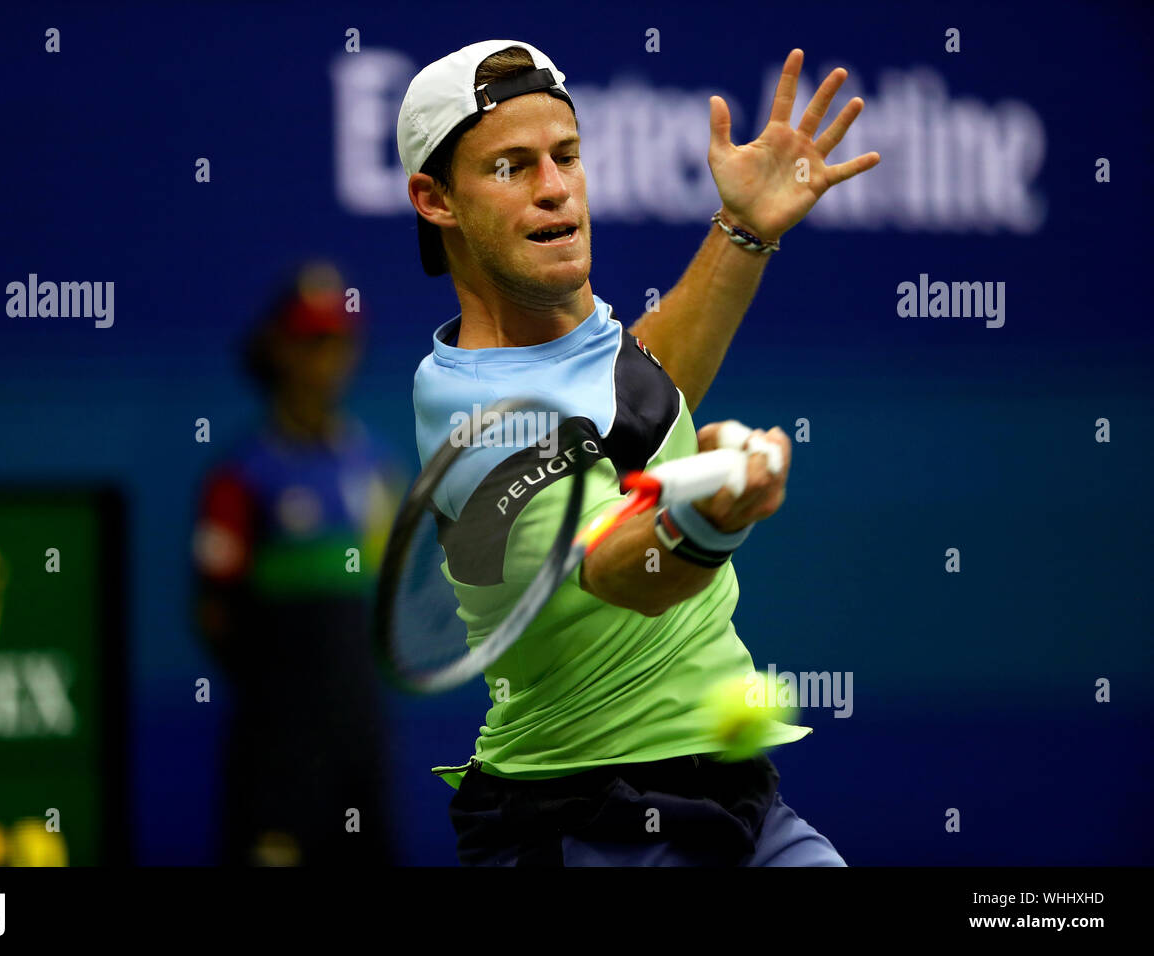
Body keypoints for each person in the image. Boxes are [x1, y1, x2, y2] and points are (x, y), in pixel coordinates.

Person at [396, 40, 879, 865]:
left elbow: (640, 398)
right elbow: (622, 571)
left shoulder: (585, 354)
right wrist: (712, 513)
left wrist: (743, 230)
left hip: (741, 800)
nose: (554, 187)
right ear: (434, 200)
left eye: (566, 156)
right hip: (579, 825)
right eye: (511, 166)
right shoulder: (472, 414)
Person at [193, 261, 402, 866]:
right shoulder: (241, 477)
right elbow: (215, 613)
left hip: (360, 734)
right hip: (274, 745)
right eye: (313, 341)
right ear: (279, 350)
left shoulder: (374, 468)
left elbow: (389, 594)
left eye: (339, 341)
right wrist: (282, 698)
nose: (328, 358)